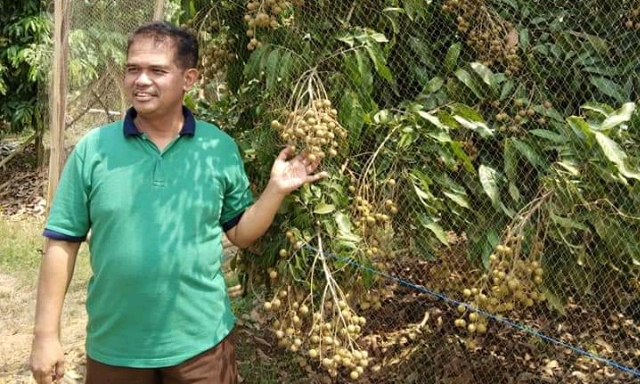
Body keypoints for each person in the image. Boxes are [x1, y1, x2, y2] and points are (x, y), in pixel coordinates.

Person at [29, 21, 327, 384]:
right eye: (133, 69)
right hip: (116, 347)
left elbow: (241, 233)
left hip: (201, 345)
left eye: (157, 70)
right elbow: (62, 241)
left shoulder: (217, 149)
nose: (141, 80)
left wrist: (275, 190)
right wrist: (45, 336)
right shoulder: (93, 150)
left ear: (189, 79)